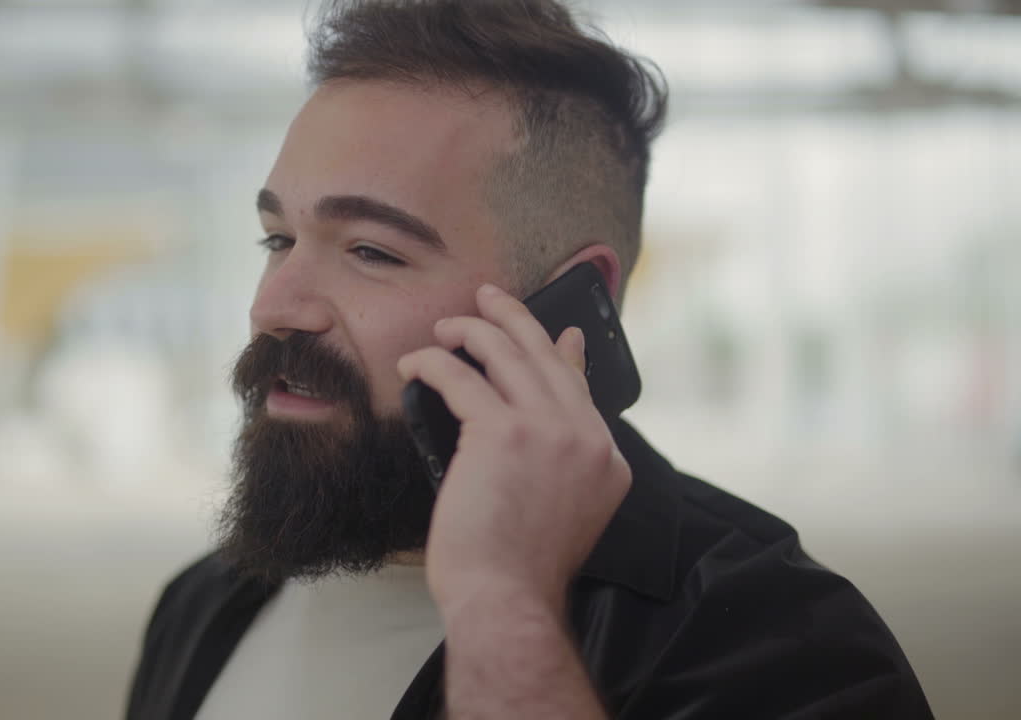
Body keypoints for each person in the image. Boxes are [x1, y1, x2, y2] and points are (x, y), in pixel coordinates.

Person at [125, 1, 934, 718]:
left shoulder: (783, 645)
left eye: (371, 250)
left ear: (570, 302)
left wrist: (502, 604)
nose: (274, 306)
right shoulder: (205, 601)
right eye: (279, 239)